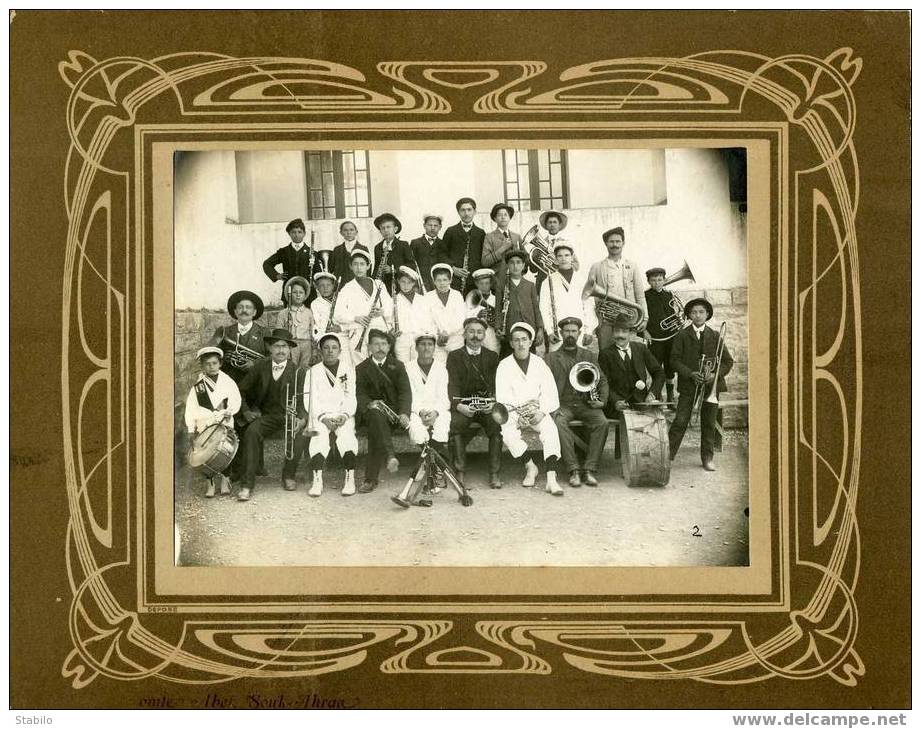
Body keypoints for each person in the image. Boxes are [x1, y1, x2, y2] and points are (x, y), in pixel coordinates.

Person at [236, 329, 309, 502]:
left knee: (299, 434)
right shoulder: (260, 366)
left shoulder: (298, 371)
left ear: (290, 349)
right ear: (269, 348)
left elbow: (304, 401)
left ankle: (288, 475)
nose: (281, 350)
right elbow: (240, 390)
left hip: (288, 417)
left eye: (284, 346)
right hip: (266, 416)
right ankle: (247, 484)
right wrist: (246, 411)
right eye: (277, 346)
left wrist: (302, 418)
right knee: (251, 433)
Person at [494, 322, 563, 495]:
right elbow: (502, 396)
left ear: (531, 342)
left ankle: (551, 478)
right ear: (511, 343)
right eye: (516, 340)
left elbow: (550, 392)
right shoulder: (504, 365)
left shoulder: (540, 363)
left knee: (550, 429)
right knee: (507, 432)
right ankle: (530, 467)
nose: (521, 344)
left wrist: (541, 412)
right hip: (514, 412)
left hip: (537, 411)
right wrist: (518, 414)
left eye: (524, 339)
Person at [667, 298, 734, 471]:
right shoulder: (682, 335)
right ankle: (667, 455)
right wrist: (690, 373)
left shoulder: (715, 335)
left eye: (701, 312)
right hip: (689, 385)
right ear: (689, 315)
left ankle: (707, 458)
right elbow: (673, 360)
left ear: (707, 314)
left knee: (709, 422)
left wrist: (714, 374)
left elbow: (727, 361)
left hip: (710, 387)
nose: (698, 315)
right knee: (680, 420)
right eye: (694, 312)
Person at [544, 318, 610, 487]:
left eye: (574, 331)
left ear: (579, 333)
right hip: (562, 405)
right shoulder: (550, 358)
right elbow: (543, 385)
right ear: (561, 333)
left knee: (601, 422)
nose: (570, 334)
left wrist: (601, 401)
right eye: (567, 331)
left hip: (585, 404)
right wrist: (552, 407)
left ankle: (590, 469)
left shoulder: (589, 355)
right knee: (559, 422)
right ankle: (573, 469)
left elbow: (602, 380)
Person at [598, 313, 666, 463]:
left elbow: (659, 372)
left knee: (652, 421)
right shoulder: (605, 354)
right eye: (616, 331)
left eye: (624, 331)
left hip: (641, 401)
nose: (620, 335)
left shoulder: (640, 348)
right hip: (617, 404)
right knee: (627, 420)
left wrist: (653, 393)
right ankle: (626, 459)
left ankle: (646, 458)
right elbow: (604, 383)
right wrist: (615, 401)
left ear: (630, 333)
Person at [447, 317, 503, 489]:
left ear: (484, 335)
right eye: (471, 331)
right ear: (464, 333)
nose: (475, 336)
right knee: (456, 425)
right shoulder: (454, 356)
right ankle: (460, 472)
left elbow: (497, 384)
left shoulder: (493, 357)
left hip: (486, 406)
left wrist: (493, 403)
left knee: (496, 425)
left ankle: (494, 473)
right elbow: (452, 384)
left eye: (479, 332)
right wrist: (459, 406)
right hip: (464, 406)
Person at [355, 329, 412, 493]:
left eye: (384, 344)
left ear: (389, 346)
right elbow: (359, 393)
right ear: (369, 347)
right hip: (371, 412)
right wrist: (369, 403)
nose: (380, 347)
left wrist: (404, 413)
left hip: (393, 416)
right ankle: (390, 456)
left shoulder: (398, 366)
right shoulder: (361, 368)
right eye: (376, 344)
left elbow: (405, 392)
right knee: (375, 418)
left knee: (376, 430)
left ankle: (370, 480)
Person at [183, 346, 242, 497]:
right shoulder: (198, 387)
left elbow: (236, 399)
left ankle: (225, 480)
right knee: (206, 453)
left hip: (224, 420)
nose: (212, 367)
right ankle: (209, 483)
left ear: (220, 364)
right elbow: (190, 408)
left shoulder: (227, 381)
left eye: (215, 363)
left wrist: (230, 411)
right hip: (205, 423)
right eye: (207, 364)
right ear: (202, 366)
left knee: (225, 450)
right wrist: (191, 428)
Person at [307, 332, 359, 497]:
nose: (330, 351)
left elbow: (351, 396)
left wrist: (344, 415)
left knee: (347, 437)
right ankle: (317, 480)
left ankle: (350, 478)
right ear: (321, 351)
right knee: (318, 437)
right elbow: (310, 399)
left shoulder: (348, 370)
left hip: (343, 416)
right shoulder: (313, 372)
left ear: (340, 350)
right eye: (326, 348)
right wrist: (323, 417)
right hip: (321, 416)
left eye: (334, 347)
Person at [581, 226, 649, 351]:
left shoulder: (632, 266)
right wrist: (593, 324)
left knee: (628, 354)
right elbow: (589, 298)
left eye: (618, 241)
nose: (615, 244)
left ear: (623, 243)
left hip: (628, 319)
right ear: (606, 244)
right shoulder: (596, 267)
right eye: (611, 241)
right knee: (607, 354)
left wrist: (644, 318)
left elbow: (640, 295)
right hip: (605, 321)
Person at [334, 249, 393, 364]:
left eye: (362, 264)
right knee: (360, 368)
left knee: (380, 365)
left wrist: (382, 311)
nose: (359, 268)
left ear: (368, 266)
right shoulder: (347, 288)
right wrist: (355, 318)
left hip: (379, 331)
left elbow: (390, 307)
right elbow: (337, 313)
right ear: (350, 266)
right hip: (358, 332)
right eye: (355, 264)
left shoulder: (379, 284)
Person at [539, 241, 596, 353]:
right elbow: (544, 309)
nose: (563, 259)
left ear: (572, 257)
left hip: (579, 331)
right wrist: (550, 331)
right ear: (555, 259)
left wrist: (588, 331)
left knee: (578, 364)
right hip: (557, 333)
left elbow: (589, 306)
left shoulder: (582, 280)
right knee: (557, 364)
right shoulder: (548, 281)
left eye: (566, 255)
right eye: (559, 256)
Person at [405, 333, 451, 462]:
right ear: (416, 348)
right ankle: (434, 463)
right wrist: (420, 412)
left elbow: (444, 397)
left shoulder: (441, 368)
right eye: (423, 344)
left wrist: (435, 412)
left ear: (434, 347)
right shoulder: (408, 368)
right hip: (416, 410)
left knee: (442, 426)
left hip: (437, 410)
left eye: (430, 344)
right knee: (416, 429)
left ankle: (426, 463)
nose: (426, 348)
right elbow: (409, 395)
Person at [209, 290, 268, 385]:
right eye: (240, 307)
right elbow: (213, 356)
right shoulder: (225, 332)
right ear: (235, 312)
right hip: (231, 383)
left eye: (248, 307)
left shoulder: (265, 332)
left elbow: (272, 358)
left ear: (254, 312)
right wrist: (224, 358)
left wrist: (254, 365)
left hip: (256, 385)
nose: (244, 310)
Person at [644, 267, 679, 408]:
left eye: (660, 280)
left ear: (664, 280)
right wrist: (643, 332)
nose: (657, 283)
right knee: (656, 367)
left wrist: (678, 324)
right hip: (655, 338)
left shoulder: (669, 295)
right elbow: (639, 317)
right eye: (653, 280)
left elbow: (674, 314)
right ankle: (656, 396)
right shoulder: (644, 296)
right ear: (648, 281)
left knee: (670, 367)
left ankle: (670, 397)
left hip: (671, 336)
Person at [497, 248, 542, 358]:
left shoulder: (530, 285)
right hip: (509, 329)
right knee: (508, 358)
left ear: (523, 265)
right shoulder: (502, 285)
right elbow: (498, 307)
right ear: (507, 265)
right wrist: (498, 327)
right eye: (512, 263)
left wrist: (540, 328)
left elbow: (536, 308)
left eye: (518, 263)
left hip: (529, 328)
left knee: (530, 358)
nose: (515, 266)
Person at [262, 218, 319, 303]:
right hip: (289, 291)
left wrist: (315, 283)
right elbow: (267, 264)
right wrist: (277, 275)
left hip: (308, 292)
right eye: (293, 232)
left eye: (299, 232)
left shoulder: (312, 252)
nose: (296, 235)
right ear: (289, 234)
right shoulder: (284, 251)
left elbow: (317, 273)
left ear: (304, 234)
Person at [442, 197, 485, 294]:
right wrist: (452, 268)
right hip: (455, 281)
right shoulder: (450, 231)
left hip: (474, 281)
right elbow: (442, 254)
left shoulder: (481, 233)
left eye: (469, 210)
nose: (466, 213)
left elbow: (483, 257)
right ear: (458, 212)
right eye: (463, 210)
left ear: (475, 212)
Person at [426, 262, 466, 364]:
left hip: (456, 340)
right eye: (438, 280)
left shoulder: (457, 295)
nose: (442, 283)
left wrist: (446, 332)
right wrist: (436, 336)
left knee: (457, 369)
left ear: (450, 280)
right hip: (437, 342)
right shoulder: (427, 297)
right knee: (439, 369)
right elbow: (427, 320)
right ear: (434, 281)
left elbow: (460, 318)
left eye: (445, 280)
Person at [392, 266, 434, 362]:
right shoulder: (394, 300)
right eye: (403, 282)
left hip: (418, 339)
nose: (406, 286)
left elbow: (428, 320)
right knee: (404, 367)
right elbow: (389, 320)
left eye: (409, 282)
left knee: (417, 367)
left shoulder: (422, 300)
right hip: (402, 339)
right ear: (398, 281)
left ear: (414, 283)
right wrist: (392, 331)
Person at [481, 202, 522, 297]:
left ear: (509, 218)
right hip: (497, 283)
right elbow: (485, 262)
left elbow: (525, 260)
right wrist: (503, 248)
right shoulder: (489, 237)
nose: (503, 217)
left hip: (516, 282)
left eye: (505, 215)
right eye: (499, 215)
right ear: (495, 219)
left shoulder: (516, 236)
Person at [274, 276, 314, 369]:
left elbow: (312, 330)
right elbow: (278, 333)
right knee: (291, 367)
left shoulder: (309, 312)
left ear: (305, 295)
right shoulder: (283, 313)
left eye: (301, 292)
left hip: (306, 344)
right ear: (290, 294)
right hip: (291, 344)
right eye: (295, 292)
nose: (298, 295)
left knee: (305, 368)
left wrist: (314, 348)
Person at [371, 212, 413, 295]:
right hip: (382, 287)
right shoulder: (378, 247)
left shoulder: (403, 245)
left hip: (400, 286)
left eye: (388, 227)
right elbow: (376, 267)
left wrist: (393, 270)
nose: (385, 230)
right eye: (382, 228)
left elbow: (411, 265)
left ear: (395, 229)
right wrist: (373, 282)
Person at [408, 213, 449, 292]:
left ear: (440, 227)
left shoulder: (443, 244)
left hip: (437, 283)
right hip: (421, 282)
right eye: (430, 225)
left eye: (435, 225)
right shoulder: (415, 243)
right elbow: (412, 264)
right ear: (424, 226)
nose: (432, 228)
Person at [465, 268, 500, 352]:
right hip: (475, 341)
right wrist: (477, 317)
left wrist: (495, 321)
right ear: (476, 284)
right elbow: (465, 320)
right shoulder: (471, 299)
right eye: (481, 283)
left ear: (491, 284)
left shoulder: (497, 300)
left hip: (492, 341)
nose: (484, 286)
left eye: (487, 283)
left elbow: (501, 321)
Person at [328, 220, 372, 286]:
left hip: (358, 285)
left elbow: (368, 270)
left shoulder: (363, 248)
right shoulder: (337, 250)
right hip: (341, 286)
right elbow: (331, 269)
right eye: (345, 230)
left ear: (356, 232)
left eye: (351, 230)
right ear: (341, 233)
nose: (349, 232)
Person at [310, 271, 340, 338]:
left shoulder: (341, 299)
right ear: (317, 287)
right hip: (324, 335)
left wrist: (340, 327)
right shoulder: (315, 304)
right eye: (321, 285)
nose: (325, 288)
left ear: (333, 286)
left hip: (342, 334)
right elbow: (317, 324)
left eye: (328, 285)